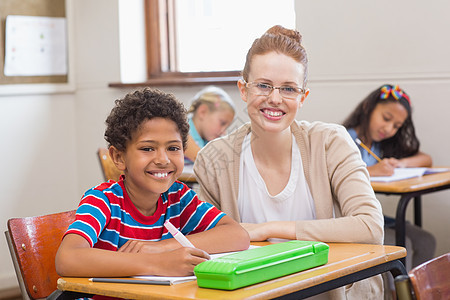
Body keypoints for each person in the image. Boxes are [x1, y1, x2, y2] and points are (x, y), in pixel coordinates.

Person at [194, 25, 384, 299]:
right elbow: (205, 241)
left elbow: (371, 227)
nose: (274, 98)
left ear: (302, 97)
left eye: (288, 89)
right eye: (263, 85)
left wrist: (269, 229)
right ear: (243, 89)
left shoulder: (330, 142)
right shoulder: (215, 159)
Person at [55, 87, 249, 279]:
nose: (163, 159)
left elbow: (237, 235)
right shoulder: (103, 201)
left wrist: (159, 248)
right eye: (148, 148)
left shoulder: (178, 198)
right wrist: (159, 263)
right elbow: (67, 259)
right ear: (119, 157)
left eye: (173, 147)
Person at [343, 84, 436, 270]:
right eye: (386, 118)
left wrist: (401, 164)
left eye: (396, 126)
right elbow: (330, 177)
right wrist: (371, 171)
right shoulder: (344, 138)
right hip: (350, 220)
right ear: (367, 107)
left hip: (377, 217)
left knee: (426, 241)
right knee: (404, 245)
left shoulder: (380, 144)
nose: (389, 128)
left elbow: (426, 159)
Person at [184, 86, 236, 164]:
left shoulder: (207, 140)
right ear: (203, 112)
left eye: (227, 127)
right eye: (222, 123)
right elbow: (207, 162)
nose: (224, 132)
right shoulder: (182, 132)